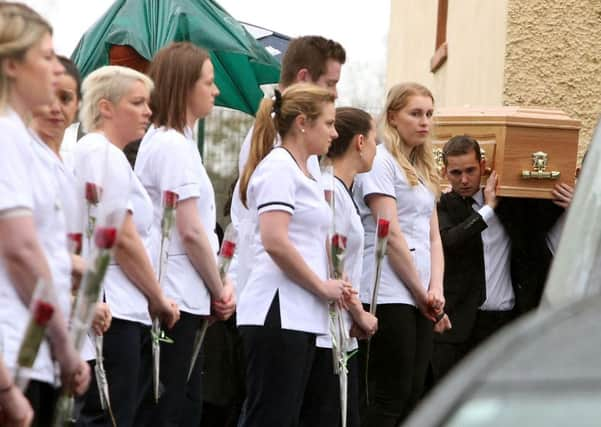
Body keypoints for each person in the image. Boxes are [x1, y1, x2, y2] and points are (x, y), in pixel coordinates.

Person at [134, 42, 236, 427]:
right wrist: (218, 287)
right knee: (171, 412)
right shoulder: (173, 145)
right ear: (184, 86)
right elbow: (191, 229)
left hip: (182, 295)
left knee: (181, 408)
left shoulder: (176, 142)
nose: (216, 90)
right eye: (208, 82)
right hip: (177, 296)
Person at [73, 65, 180, 427]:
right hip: (112, 309)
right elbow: (121, 236)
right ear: (106, 107)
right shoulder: (100, 152)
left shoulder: (108, 155)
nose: (148, 112)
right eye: (137, 103)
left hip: (122, 307)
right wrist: (158, 296)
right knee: (109, 417)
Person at [236, 83, 348, 427]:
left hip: (300, 315)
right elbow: (274, 240)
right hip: (277, 311)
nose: (335, 132)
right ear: (302, 122)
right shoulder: (278, 168)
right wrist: (321, 286)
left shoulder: (303, 172)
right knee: (270, 417)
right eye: (328, 123)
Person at [0, 3, 90, 424]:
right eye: (47, 56)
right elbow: (20, 251)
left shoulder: (15, 136)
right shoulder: (6, 136)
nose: (57, 70)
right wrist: (65, 344)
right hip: (14, 349)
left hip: (26, 349)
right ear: (13, 64)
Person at [431, 135, 564, 383]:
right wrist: (487, 210)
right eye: (456, 172)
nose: (464, 180)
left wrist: (573, 201)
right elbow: (450, 240)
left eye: (470, 170)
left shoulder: (510, 205)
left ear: (483, 167)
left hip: (505, 321)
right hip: (460, 328)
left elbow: (540, 228)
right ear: (444, 172)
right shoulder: (442, 206)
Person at [354, 82, 446, 426]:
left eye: (429, 114)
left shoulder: (422, 170)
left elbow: (433, 237)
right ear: (393, 116)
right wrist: (423, 293)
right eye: (415, 113)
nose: (424, 122)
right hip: (390, 290)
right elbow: (389, 233)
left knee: (413, 392)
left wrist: (436, 289)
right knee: (389, 393)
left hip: (420, 294)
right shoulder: (381, 162)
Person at [231, 35, 347, 294]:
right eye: (331, 83)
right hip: (277, 294)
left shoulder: (299, 142)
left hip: (294, 293)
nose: (336, 93)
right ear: (304, 77)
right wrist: (321, 286)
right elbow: (273, 236)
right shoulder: (280, 147)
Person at [300, 107, 379, 427]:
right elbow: (332, 262)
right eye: (376, 139)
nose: (377, 148)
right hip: (330, 329)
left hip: (341, 328)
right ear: (360, 142)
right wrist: (360, 313)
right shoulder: (329, 191)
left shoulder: (341, 191)